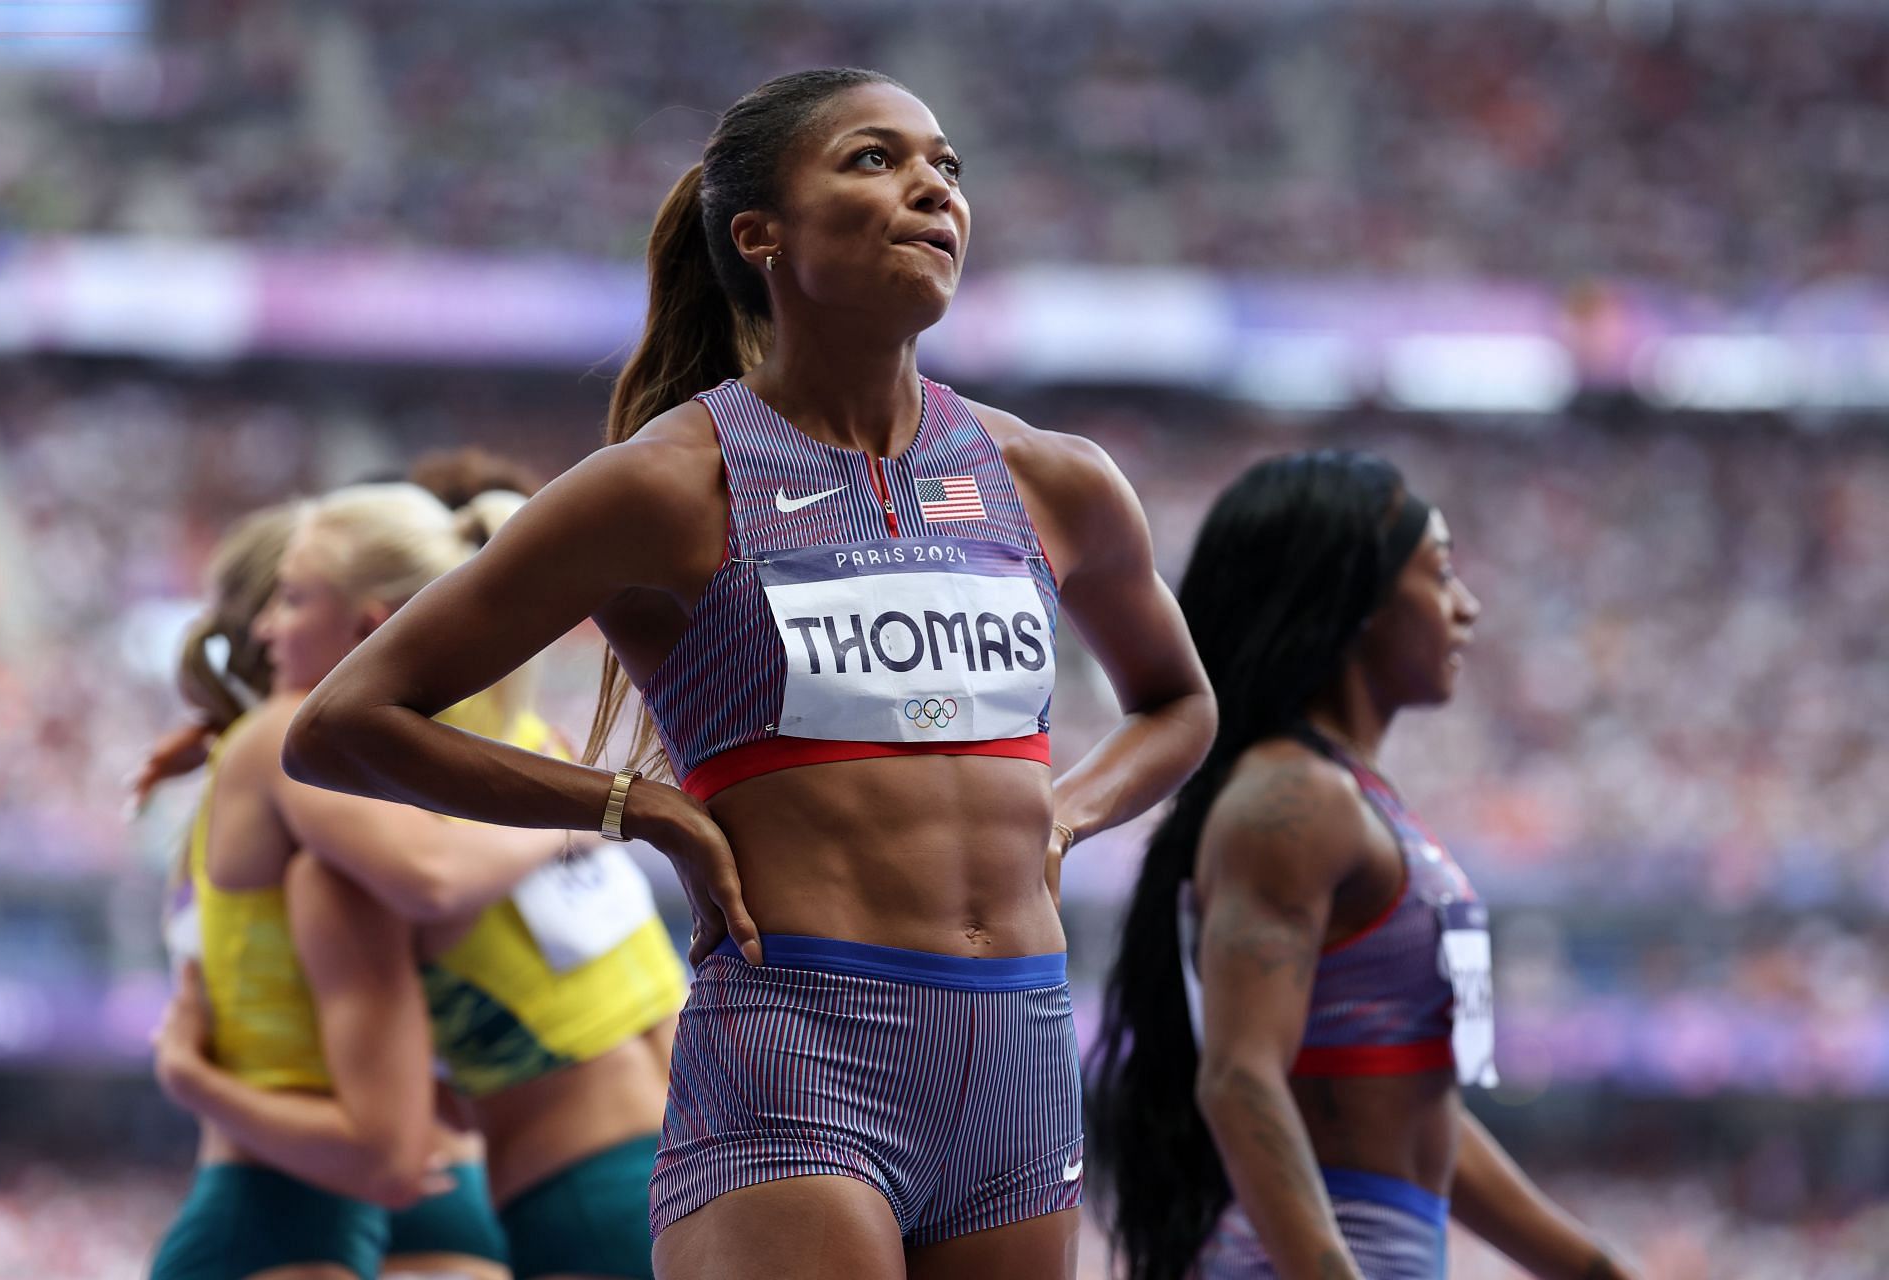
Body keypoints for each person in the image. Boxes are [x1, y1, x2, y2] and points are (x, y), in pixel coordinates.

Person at [280, 67, 1216, 1280]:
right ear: (757, 234)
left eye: (947, 165)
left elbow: (1179, 701)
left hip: (1023, 1057)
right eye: (875, 158)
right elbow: (345, 722)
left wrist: (1068, 814)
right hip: (799, 1054)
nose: (933, 185)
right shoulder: (667, 484)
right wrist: (633, 806)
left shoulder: (1053, 477)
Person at [1088, 451, 1635, 1280]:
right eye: (1440, 573)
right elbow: (1239, 1078)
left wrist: (1592, 1266)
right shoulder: (1293, 800)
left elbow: (1419, 1111)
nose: (1467, 606)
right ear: (1355, 597)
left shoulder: (1351, 801)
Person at [158, 482, 689, 1280]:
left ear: (368, 622)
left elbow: (428, 878)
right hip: (688, 1144)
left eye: (294, 601)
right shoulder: (525, 746)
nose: (271, 629)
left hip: (573, 1185)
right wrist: (585, 811)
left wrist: (189, 1079)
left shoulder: (356, 813)